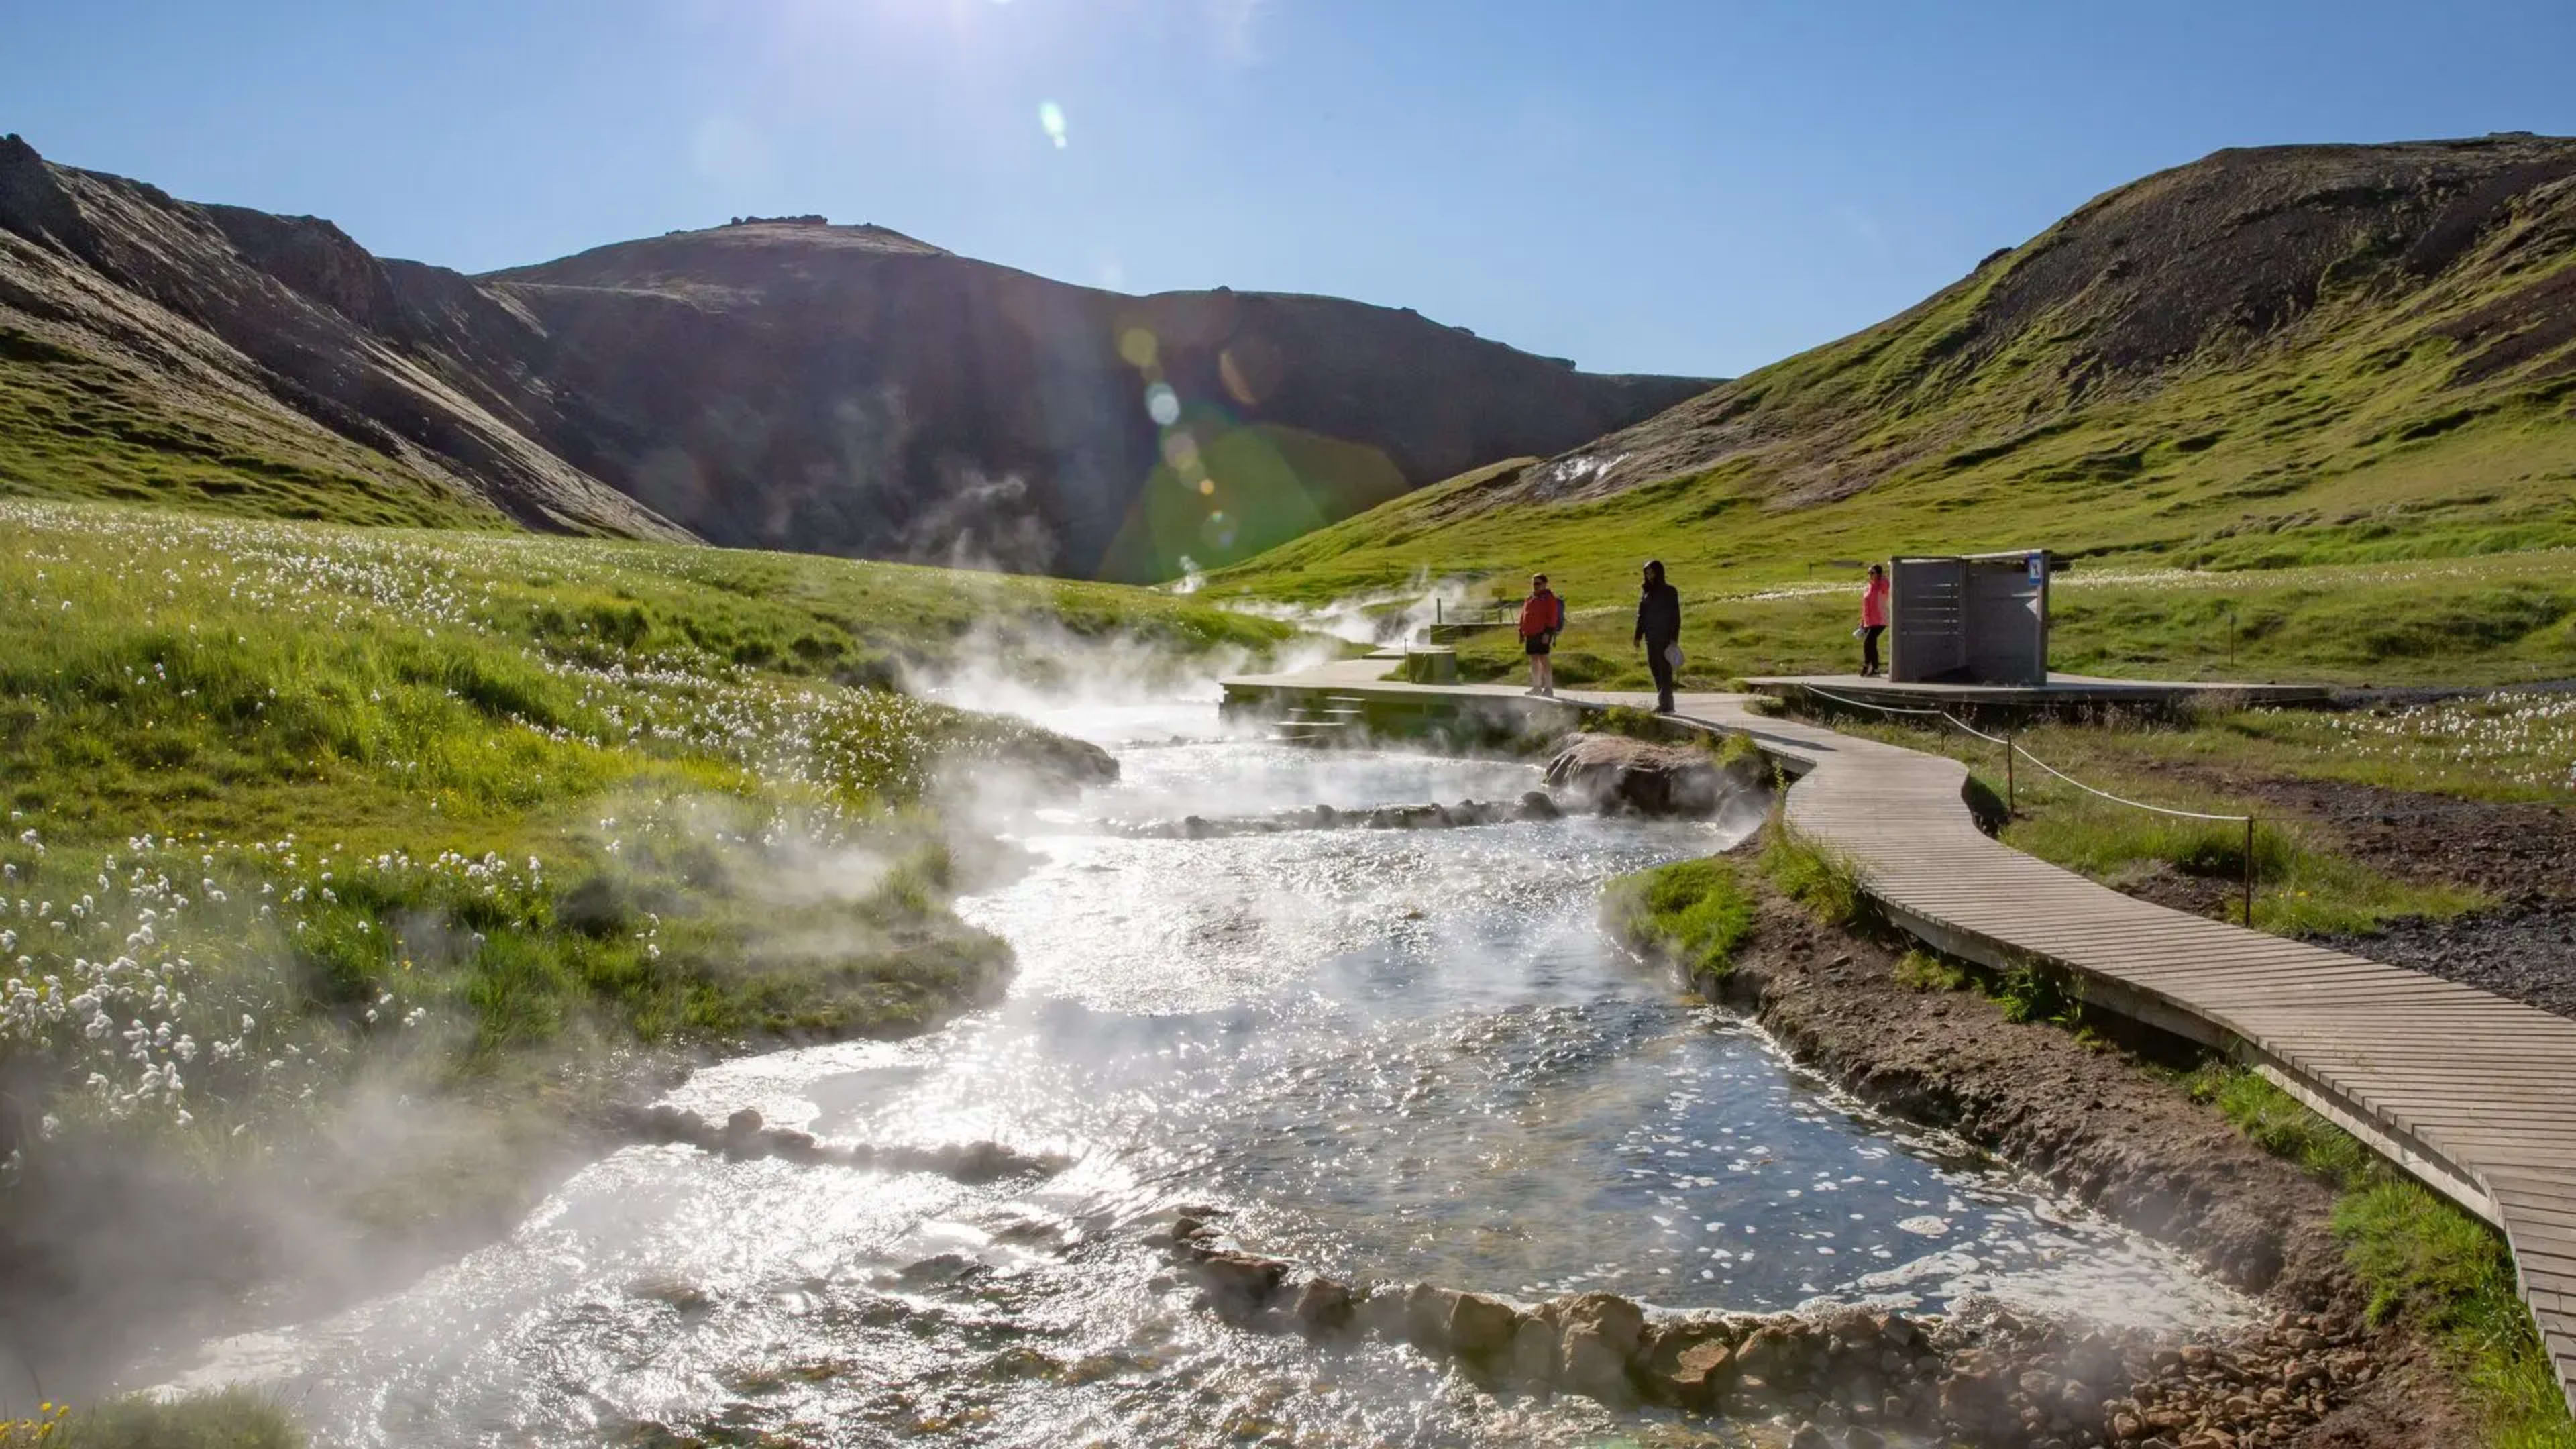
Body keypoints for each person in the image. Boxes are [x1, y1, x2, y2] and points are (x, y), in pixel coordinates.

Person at [1633, 559, 1680, 712]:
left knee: (1664, 670)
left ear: (1659, 572)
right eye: (1647, 572)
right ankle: (1666, 703)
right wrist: (1638, 636)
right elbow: (1642, 615)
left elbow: (1676, 616)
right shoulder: (1647, 592)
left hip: (1664, 637)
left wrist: (1674, 639)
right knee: (1655, 668)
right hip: (1650, 637)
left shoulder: (1670, 591)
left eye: (1651, 572)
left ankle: (1665, 704)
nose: (1649, 575)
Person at [1518, 573, 1565, 697]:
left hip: (1542, 633)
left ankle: (1549, 688)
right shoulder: (1530, 598)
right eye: (1533, 583)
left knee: (1544, 659)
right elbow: (1524, 615)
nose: (1535, 586)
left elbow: (1553, 617)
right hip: (1530, 633)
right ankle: (1536, 687)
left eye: (1538, 583)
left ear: (1545, 584)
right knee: (1534, 660)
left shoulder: (1549, 598)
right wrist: (1521, 632)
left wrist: (1548, 633)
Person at [1858, 562, 1890, 677]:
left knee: (1868, 642)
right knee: (1872, 644)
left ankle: (1867, 665)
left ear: (1879, 574)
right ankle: (1875, 670)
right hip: (1869, 621)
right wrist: (1862, 621)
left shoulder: (1883, 585)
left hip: (1880, 620)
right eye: (1869, 573)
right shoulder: (1869, 587)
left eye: (1872, 573)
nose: (1870, 575)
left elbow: (1887, 585)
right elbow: (1864, 606)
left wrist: (1882, 577)